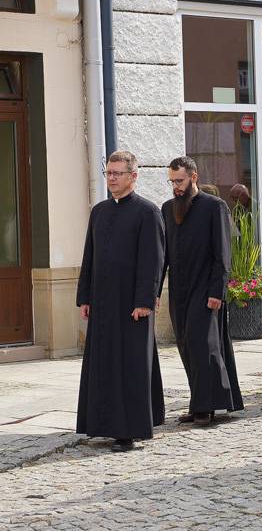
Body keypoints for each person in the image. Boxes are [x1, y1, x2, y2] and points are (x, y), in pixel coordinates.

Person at [76, 151, 166, 452]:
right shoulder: (99, 212)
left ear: (133, 176)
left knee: (130, 366)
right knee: (103, 364)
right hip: (102, 302)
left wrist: (144, 300)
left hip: (132, 305)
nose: (111, 178)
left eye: (117, 173)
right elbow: (90, 257)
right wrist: (85, 296)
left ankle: (128, 430)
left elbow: (153, 260)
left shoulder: (147, 212)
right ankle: (101, 424)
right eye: (109, 173)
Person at [161, 156, 243, 427]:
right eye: (173, 181)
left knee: (203, 346)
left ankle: (206, 408)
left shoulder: (214, 206)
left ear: (194, 177)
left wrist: (217, 291)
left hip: (205, 287)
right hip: (179, 290)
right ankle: (199, 402)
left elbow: (222, 252)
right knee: (185, 345)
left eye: (180, 181)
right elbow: (164, 254)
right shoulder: (167, 208)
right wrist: (155, 289)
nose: (176, 186)